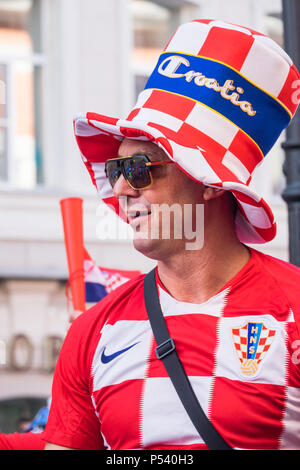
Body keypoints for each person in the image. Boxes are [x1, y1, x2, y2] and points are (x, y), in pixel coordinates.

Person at [43, 19, 300, 450]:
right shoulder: (92, 330)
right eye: (116, 170)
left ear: (211, 181)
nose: (121, 189)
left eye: (140, 169)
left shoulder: (293, 308)